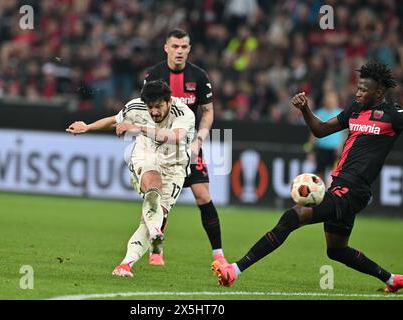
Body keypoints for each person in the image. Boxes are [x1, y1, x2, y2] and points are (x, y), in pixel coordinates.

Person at [212, 61, 403, 292]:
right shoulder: (355, 109)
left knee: (292, 216)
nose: (358, 93)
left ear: (380, 91)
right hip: (339, 187)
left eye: (364, 89)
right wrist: (305, 109)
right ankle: (392, 280)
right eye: (358, 88)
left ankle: (235, 270)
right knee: (336, 250)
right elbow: (320, 130)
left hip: (354, 191)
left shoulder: (393, 116)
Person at [66, 80, 195, 277]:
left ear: (168, 102)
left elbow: (174, 136)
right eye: (150, 107)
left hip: (175, 166)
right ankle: (156, 233)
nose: (154, 112)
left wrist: (138, 128)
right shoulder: (136, 107)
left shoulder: (184, 113)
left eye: (159, 106)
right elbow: (115, 120)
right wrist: (88, 127)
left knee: (152, 216)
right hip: (146, 154)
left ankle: (125, 264)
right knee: (153, 187)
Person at [144, 28, 227, 266]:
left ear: (189, 49)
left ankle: (218, 255)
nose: (180, 51)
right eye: (175, 46)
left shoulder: (199, 76)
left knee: (203, 195)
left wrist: (198, 140)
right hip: (163, 147)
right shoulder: (155, 75)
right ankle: (156, 250)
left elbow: (208, 112)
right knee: (162, 200)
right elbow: (146, 110)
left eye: (184, 47)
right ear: (166, 48)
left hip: (190, 146)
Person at [304, 91, 345, 185]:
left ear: (336, 100)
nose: (330, 101)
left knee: (334, 174)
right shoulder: (319, 113)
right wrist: (310, 150)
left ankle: (331, 196)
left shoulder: (341, 114)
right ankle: (320, 194)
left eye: (332, 99)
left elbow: (344, 134)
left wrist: (341, 147)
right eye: (328, 99)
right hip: (321, 149)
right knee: (319, 174)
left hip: (335, 151)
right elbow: (313, 134)